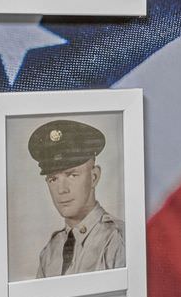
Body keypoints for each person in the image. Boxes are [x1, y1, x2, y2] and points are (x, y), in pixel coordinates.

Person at [24, 119, 126, 278]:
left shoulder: (117, 239)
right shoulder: (50, 252)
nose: (62, 190)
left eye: (72, 175)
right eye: (53, 179)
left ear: (94, 177)